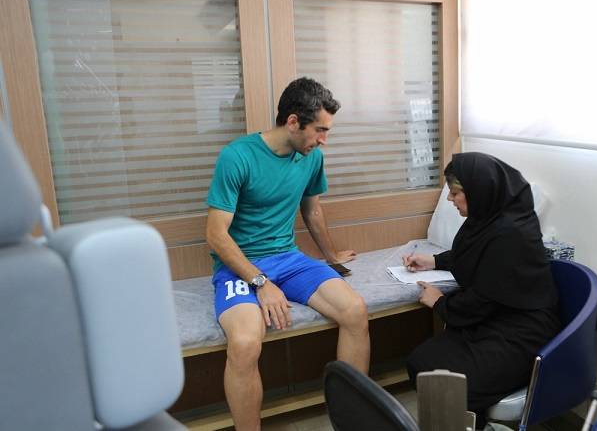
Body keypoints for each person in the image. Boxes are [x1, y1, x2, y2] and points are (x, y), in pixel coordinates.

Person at [205, 77, 370, 430]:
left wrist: (330, 255)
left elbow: (312, 210)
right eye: (319, 130)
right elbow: (216, 235)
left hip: (289, 259)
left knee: (355, 311)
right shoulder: (237, 156)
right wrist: (261, 282)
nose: (324, 140)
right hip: (240, 265)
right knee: (245, 342)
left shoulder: (311, 157)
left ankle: (353, 420)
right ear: (293, 122)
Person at [402, 152, 561, 428]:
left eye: (455, 193)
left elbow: (483, 297)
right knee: (421, 361)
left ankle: (471, 423)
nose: (450, 199)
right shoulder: (490, 219)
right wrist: (435, 261)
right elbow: (476, 255)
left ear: (479, 191)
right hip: (494, 319)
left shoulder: (511, 233)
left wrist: (440, 303)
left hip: (522, 331)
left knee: (454, 382)